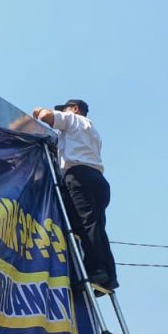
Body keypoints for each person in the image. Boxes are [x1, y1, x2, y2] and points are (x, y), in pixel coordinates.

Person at [32, 99, 117, 291]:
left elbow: (46, 116)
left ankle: (95, 270)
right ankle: (108, 276)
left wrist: (38, 110)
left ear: (76, 109)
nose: (63, 113)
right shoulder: (93, 132)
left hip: (79, 176)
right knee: (95, 225)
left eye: (65, 110)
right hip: (98, 180)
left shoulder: (73, 120)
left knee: (86, 223)